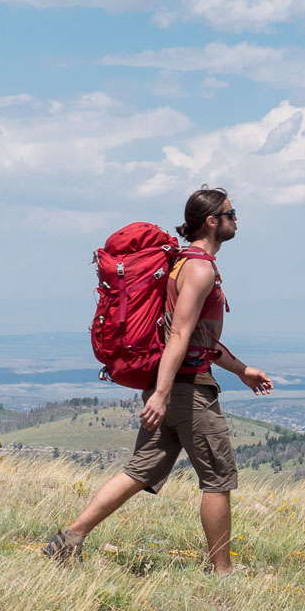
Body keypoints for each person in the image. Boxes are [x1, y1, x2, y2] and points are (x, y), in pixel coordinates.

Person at [44, 187, 272, 575]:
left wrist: (241, 370)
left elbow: (200, 339)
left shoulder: (183, 264)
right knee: (218, 479)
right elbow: (180, 336)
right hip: (187, 393)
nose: (237, 221)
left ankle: (68, 540)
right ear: (212, 221)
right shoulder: (199, 269)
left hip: (171, 387)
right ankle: (223, 573)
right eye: (231, 214)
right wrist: (163, 395)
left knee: (141, 471)